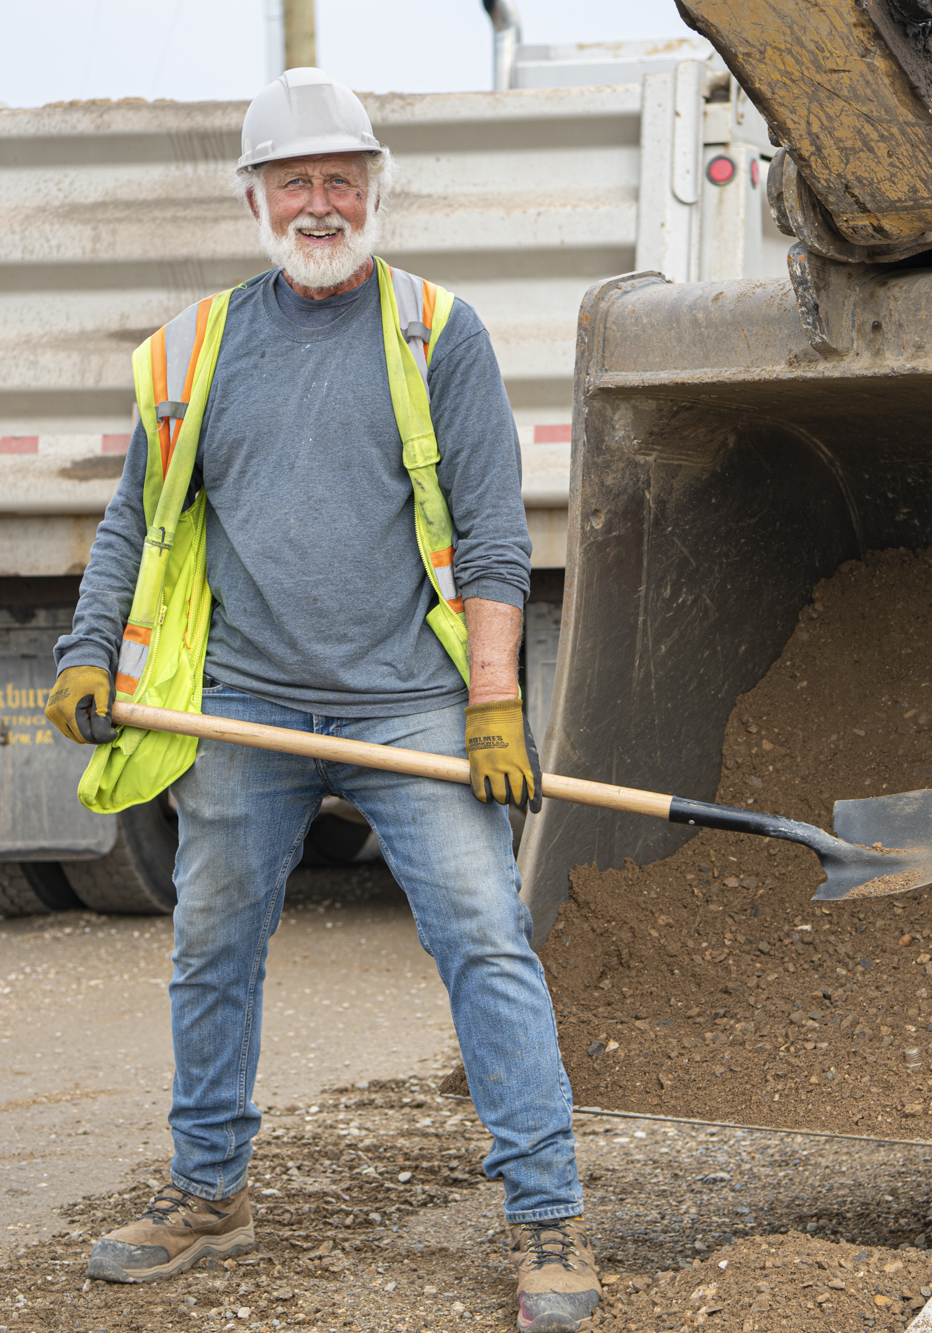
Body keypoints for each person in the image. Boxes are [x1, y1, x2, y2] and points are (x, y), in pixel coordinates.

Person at [43, 68, 596, 1333]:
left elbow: (495, 535)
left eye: (340, 178)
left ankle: (548, 1214)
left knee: (485, 941)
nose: (319, 201)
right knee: (210, 948)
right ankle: (207, 1194)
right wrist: (90, 651)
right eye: (293, 179)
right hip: (241, 703)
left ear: (374, 189)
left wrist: (495, 707)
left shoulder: (433, 331)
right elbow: (136, 519)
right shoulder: (192, 351)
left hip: (409, 704)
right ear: (252, 196)